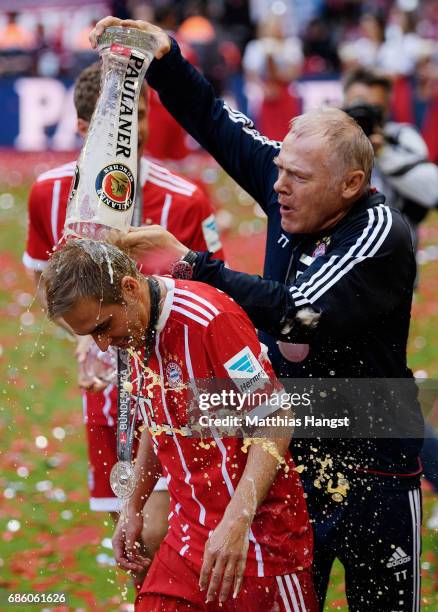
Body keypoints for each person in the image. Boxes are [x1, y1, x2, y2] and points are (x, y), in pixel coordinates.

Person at [89, 17, 424, 611]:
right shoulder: (290, 184)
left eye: (298, 177)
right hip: (293, 445)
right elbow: (220, 126)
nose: (279, 187)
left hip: (373, 453)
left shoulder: (379, 230)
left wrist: (190, 264)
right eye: (279, 170)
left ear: (350, 184)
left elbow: (301, 315)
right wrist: (168, 59)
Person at [23, 60, 224, 569]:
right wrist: (82, 339)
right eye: (118, 122)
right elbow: (47, 281)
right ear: (86, 130)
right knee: (131, 540)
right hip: (109, 393)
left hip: (175, 382)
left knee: (159, 531)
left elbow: (213, 291)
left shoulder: (185, 198)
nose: (132, 132)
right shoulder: (48, 193)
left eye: (139, 117)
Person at [43, 238, 318, 611]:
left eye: (104, 326)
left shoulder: (209, 320)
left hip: (258, 545)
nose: (105, 345)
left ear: (130, 287)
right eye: (92, 336)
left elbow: (275, 418)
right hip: (187, 541)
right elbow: (158, 420)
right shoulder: (133, 331)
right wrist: (133, 506)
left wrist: (236, 523)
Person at [343, 66, 438, 252]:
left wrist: (384, 153)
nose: (366, 115)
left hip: (394, 264)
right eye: (359, 106)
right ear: (344, 104)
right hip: (340, 258)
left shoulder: (402, 137)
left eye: (374, 108)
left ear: (388, 107)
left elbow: (433, 192)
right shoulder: (328, 142)